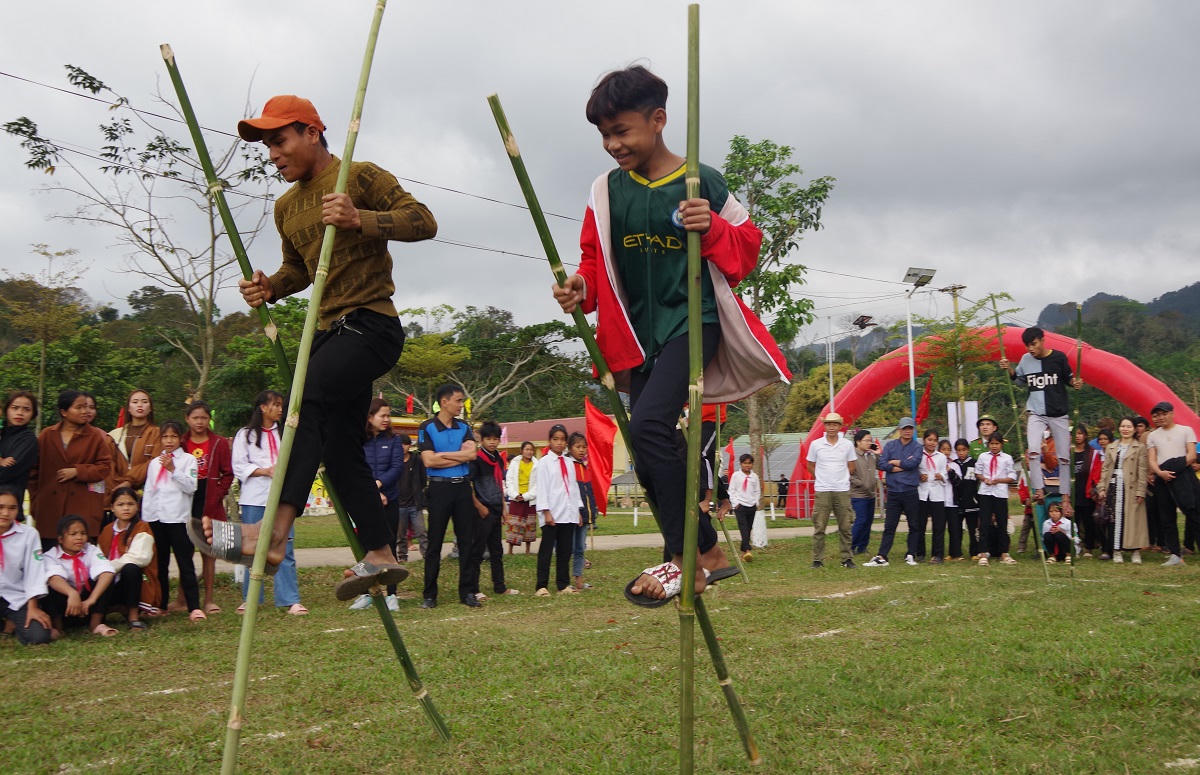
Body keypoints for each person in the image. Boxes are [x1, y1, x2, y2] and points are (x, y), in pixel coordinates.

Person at [552, 65, 778, 603]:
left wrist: (713, 226)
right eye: (604, 135)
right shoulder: (605, 191)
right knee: (652, 444)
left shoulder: (703, 181)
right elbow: (593, 260)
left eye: (622, 131)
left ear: (658, 120)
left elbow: (747, 249)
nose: (612, 145)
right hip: (635, 334)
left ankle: (683, 561)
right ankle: (710, 551)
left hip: (691, 323)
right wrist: (578, 288)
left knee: (651, 426)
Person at [201, 94, 436, 599]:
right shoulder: (285, 207)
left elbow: (423, 221)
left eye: (280, 141)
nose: (273, 155)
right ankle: (378, 552)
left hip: (372, 325)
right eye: (267, 146)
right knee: (338, 448)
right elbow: (300, 271)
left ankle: (272, 536)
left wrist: (360, 219)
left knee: (302, 406)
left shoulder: (361, 175)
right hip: (328, 332)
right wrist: (271, 287)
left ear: (312, 132)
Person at [230, 391, 305, 615]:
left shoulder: (287, 433)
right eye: (276, 405)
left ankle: (289, 599)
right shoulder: (245, 435)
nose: (280, 409)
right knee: (252, 549)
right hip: (255, 498)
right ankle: (251, 598)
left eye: (282, 405)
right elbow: (239, 465)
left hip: (282, 499)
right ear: (263, 407)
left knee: (285, 548)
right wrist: (265, 471)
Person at [998, 326, 1081, 515]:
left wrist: (1075, 383)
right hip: (1036, 412)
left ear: (1042, 340)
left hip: (1058, 413)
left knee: (1064, 457)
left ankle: (1066, 498)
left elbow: (1069, 379)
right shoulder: (1026, 360)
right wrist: (1008, 369)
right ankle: (1039, 490)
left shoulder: (1059, 357)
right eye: (1028, 346)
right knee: (1033, 451)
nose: (1031, 349)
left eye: (1034, 344)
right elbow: (1018, 380)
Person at [418, 383, 479, 609]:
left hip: (463, 488)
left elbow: (472, 454)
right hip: (439, 489)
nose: (461, 405)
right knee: (435, 542)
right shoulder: (427, 427)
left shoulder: (464, 427)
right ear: (444, 402)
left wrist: (443, 454)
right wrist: (459, 456)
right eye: (458, 400)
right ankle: (430, 595)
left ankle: (468, 592)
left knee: (467, 542)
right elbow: (428, 461)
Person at [29, 390, 112, 549]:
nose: (85, 411)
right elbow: (33, 472)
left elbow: (104, 468)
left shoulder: (95, 436)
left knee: (81, 559)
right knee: (50, 558)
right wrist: (36, 501)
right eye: (79, 407)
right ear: (64, 412)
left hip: (83, 508)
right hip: (50, 509)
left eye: (87, 407)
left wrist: (78, 471)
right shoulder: (47, 435)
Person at [142, 420, 204, 622]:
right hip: (156, 518)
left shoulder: (187, 460)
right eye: (165, 437)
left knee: (185, 562)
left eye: (173, 437)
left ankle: (193, 606)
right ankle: (161, 604)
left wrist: (173, 469)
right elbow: (150, 491)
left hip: (177, 518)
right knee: (160, 563)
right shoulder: (154, 463)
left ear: (180, 438)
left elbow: (191, 486)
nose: (169, 441)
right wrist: (146, 517)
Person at [353, 397, 406, 611]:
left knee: (389, 546)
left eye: (388, 415)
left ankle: (392, 594)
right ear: (370, 417)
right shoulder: (359, 441)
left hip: (389, 500)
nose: (386, 419)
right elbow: (357, 467)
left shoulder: (393, 440)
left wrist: (379, 485)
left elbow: (396, 468)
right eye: (382, 415)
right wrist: (371, 491)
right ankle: (367, 593)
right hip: (366, 502)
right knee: (365, 547)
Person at [182, 401, 233, 615]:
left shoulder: (218, 443)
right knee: (185, 552)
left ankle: (210, 599)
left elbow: (228, 473)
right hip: (185, 499)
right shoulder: (181, 442)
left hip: (209, 500)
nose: (200, 422)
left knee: (208, 551)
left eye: (203, 418)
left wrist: (218, 492)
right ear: (187, 419)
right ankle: (182, 599)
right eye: (195, 418)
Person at [44, 515, 117, 637]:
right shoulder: (50, 556)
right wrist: (72, 593)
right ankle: (57, 626)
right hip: (66, 604)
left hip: (86, 605)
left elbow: (107, 572)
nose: (79, 537)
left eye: (83, 533)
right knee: (48, 585)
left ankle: (96, 624)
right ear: (61, 539)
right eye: (73, 534)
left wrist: (91, 600)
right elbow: (54, 578)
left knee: (107, 576)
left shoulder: (91, 550)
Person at [468, 421, 517, 601]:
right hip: (482, 510)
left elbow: (499, 484)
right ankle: (474, 588)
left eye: (495, 439)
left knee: (497, 551)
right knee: (478, 551)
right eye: (488, 438)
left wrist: (504, 507)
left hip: (497, 508)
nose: (492, 442)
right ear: (481, 439)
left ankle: (500, 586)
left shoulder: (498, 457)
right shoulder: (477, 458)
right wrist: (479, 507)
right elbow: (469, 484)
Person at [864, 418, 922, 567]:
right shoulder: (890, 445)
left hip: (910, 491)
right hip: (894, 491)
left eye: (910, 428)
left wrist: (895, 462)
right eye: (904, 428)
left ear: (913, 430)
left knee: (914, 525)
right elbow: (882, 463)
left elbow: (913, 463)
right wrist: (900, 465)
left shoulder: (917, 447)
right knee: (890, 526)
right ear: (899, 429)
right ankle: (882, 556)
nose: (907, 431)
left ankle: (911, 554)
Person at [97, 486, 156, 629]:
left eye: (130, 504)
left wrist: (109, 567)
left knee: (131, 568)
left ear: (137, 506)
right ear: (112, 507)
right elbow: (98, 556)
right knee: (103, 575)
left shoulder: (142, 528)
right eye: (120, 504)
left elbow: (140, 557)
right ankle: (98, 618)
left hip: (134, 582)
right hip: (111, 581)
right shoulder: (107, 530)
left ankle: (133, 616)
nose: (126, 508)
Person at [1145, 402, 1197, 567]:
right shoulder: (1153, 435)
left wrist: (1174, 468)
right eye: (1157, 415)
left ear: (1172, 413)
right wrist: (1160, 472)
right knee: (1166, 516)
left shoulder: (1185, 430)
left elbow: (1192, 456)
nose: (1160, 417)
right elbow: (1152, 459)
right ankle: (1175, 554)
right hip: (1162, 477)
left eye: (1163, 413)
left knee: (1193, 512)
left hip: (1183, 475)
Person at [0, 487, 52, 645]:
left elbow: (34, 571)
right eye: (0, 507)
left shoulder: (29, 534)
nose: (5, 513)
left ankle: (13, 622)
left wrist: (33, 606)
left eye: (12, 508)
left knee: (38, 636)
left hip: (15, 596)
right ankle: (6, 625)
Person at [534, 425, 581, 597]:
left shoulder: (569, 462)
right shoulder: (544, 463)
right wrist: (546, 512)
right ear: (550, 441)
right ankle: (541, 585)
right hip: (552, 514)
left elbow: (573, 487)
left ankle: (563, 584)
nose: (559, 443)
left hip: (568, 513)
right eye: (556, 439)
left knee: (565, 551)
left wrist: (577, 511)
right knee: (546, 551)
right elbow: (542, 488)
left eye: (562, 439)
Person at [805, 413, 856, 568]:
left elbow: (852, 465)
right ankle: (817, 559)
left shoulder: (847, 444)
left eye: (835, 424)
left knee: (845, 526)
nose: (831, 427)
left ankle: (847, 558)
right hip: (823, 489)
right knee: (820, 526)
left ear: (840, 426)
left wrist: (842, 477)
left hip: (842, 489)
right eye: (828, 424)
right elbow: (809, 464)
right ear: (824, 426)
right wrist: (821, 477)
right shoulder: (816, 444)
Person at [1096, 417, 1149, 564]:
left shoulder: (1139, 447)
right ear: (1119, 428)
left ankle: (1135, 550)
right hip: (1113, 487)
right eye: (1123, 426)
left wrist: (1141, 490)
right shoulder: (1112, 447)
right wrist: (1102, 487)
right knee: (1114, 519)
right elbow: (1105, 469)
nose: (1125, 429)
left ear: (1134, 429)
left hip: (1131, 487)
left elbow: (1143, 470)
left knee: (1133, 520)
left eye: (1129, 426)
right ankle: (1116, 550)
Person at [975, 433, 1018, 565]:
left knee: (1002, 523)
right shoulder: (983, 456)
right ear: (988, 444)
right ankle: (983, 553)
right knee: (984, 523)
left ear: (1001, 444)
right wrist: (984, 479)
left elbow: (1012, 476)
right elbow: (977, 472)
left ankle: (1004, 553)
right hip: (985, 492)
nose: (994, 446)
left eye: (996, 444)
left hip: (1000, 493)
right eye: (992, 444)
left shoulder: (1007, 458)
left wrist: (999, 480)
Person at [108, 389, 162, 492]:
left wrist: (129, 481)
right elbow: (108, 463)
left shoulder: (157, 433)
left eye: (145, 402)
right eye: (135, 402)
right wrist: (117, 485)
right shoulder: (114, 435)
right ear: (128, 408)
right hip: (117, 490)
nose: (140, 405)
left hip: (146, 489)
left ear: (150, 408)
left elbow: (155, 462)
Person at [0, 391, 38, 520]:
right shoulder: (1, 433)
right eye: (15, 408)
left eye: (26, 409)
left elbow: (5, 472)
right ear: (6, 410)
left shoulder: (28, 440)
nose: (20, 413)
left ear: (33, 414)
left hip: (7, 511)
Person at [569, 432, 597, 589]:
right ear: (570, 448)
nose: (581, 450)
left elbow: (589, 492)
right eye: (578, 447)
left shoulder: (585, 466)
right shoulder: (569, 465)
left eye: (584, 447)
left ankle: (579, 581)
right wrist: (576, 511)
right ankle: (564, 581)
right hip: (572, 515)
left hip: (586, 515)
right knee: (569, 549)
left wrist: (593, 511)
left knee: (580, 548)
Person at [1070, 424, 1103, 557]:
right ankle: (1075, 547)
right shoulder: (1069, 452)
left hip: (1087, 491)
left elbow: (1096, 472)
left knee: (1088, 521)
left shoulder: (1092, 453)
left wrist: (1094, 489)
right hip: (1073, 492)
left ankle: (1088, 547)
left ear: (1085, 435)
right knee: (1074, 521)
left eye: (1080, 433)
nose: (1077, 436)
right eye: (1075, 434)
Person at [394, 434, 427, 561]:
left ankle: (427, 555)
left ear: (409, 445)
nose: (402, 447)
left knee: (421, 532)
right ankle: (402, 556)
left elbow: (423, 479)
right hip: (399, 503)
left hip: (414, 503)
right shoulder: (394, 461)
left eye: (405, 444)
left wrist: (418, 492)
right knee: (400, 534)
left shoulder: (417, 460)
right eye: (399, 444)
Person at [505, 441, 538, 554]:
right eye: (527, 449)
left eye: (531, 450)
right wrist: (515, 494)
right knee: (514, 524)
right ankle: (510, 550)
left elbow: (537, 484)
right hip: (516, 498)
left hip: (529, 499)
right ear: (522, 451)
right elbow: (509, 480)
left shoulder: (536, 465)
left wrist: (526, 496)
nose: (529, 452)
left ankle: (528, 550)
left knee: (529, 525)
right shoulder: (514, 463)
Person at [848, 430, 878, 556]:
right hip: (858, 494)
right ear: (858, 442)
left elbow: (881, 465)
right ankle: (850, 546)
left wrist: (878, 453)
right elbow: (848, 474)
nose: (869, 443)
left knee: (868, 521)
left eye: (870, 440)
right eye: (866, 440)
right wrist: (860, 483)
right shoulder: (852, 456)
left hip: (871, 494)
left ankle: (862, 547)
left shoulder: (870, 455)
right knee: (861, 520)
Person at [950, 439, 980, 559]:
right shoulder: (953, 464)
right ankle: (955, 552)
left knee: (973, 529)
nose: (961, 453)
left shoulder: (974, 463)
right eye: (958, 450)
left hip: (972, 501)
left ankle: (975, 552)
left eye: (964, 450)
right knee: (956, 529)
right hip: (957, 501)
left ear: (968, 450)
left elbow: (977, 481)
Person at [727, 454, 761, 563]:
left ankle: (744, 553)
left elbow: (757, 491)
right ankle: (747, 550)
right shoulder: (736, 475)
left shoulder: (754, 476)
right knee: (743, 528)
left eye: (749, 463)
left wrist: (756, 502)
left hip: (751, 505)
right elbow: (731, 490)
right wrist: (735, 503)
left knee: (749, 528)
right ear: (741, 464)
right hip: (740, 505)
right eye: (745, 463)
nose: (747, 465)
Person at [939, 438, 963, 561]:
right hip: (939, 501)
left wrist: (950, 471)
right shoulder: (936, 463)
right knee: (940, 529)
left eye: (948, 449)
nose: (946, 452)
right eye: (943, 449)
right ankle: (940, 553)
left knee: (954, 528)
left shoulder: (954, 465)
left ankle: (956, 553)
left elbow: (958, 482)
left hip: (952, 502)